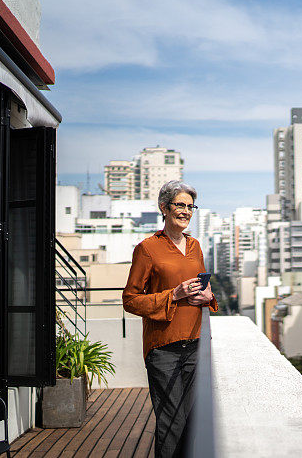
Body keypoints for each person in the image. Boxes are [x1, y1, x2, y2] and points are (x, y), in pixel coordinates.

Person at [122, 180, 216, 457]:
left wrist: (208, 297)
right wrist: (172, 295)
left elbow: (204, 288)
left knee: (193, 422)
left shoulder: (195, 246)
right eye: (180, 205)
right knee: (171, 422)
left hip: (197, 344)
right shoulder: (147, 248)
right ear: (164, 208)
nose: (186, 211)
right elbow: (130, 300)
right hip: (164, 348)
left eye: (190, 206)